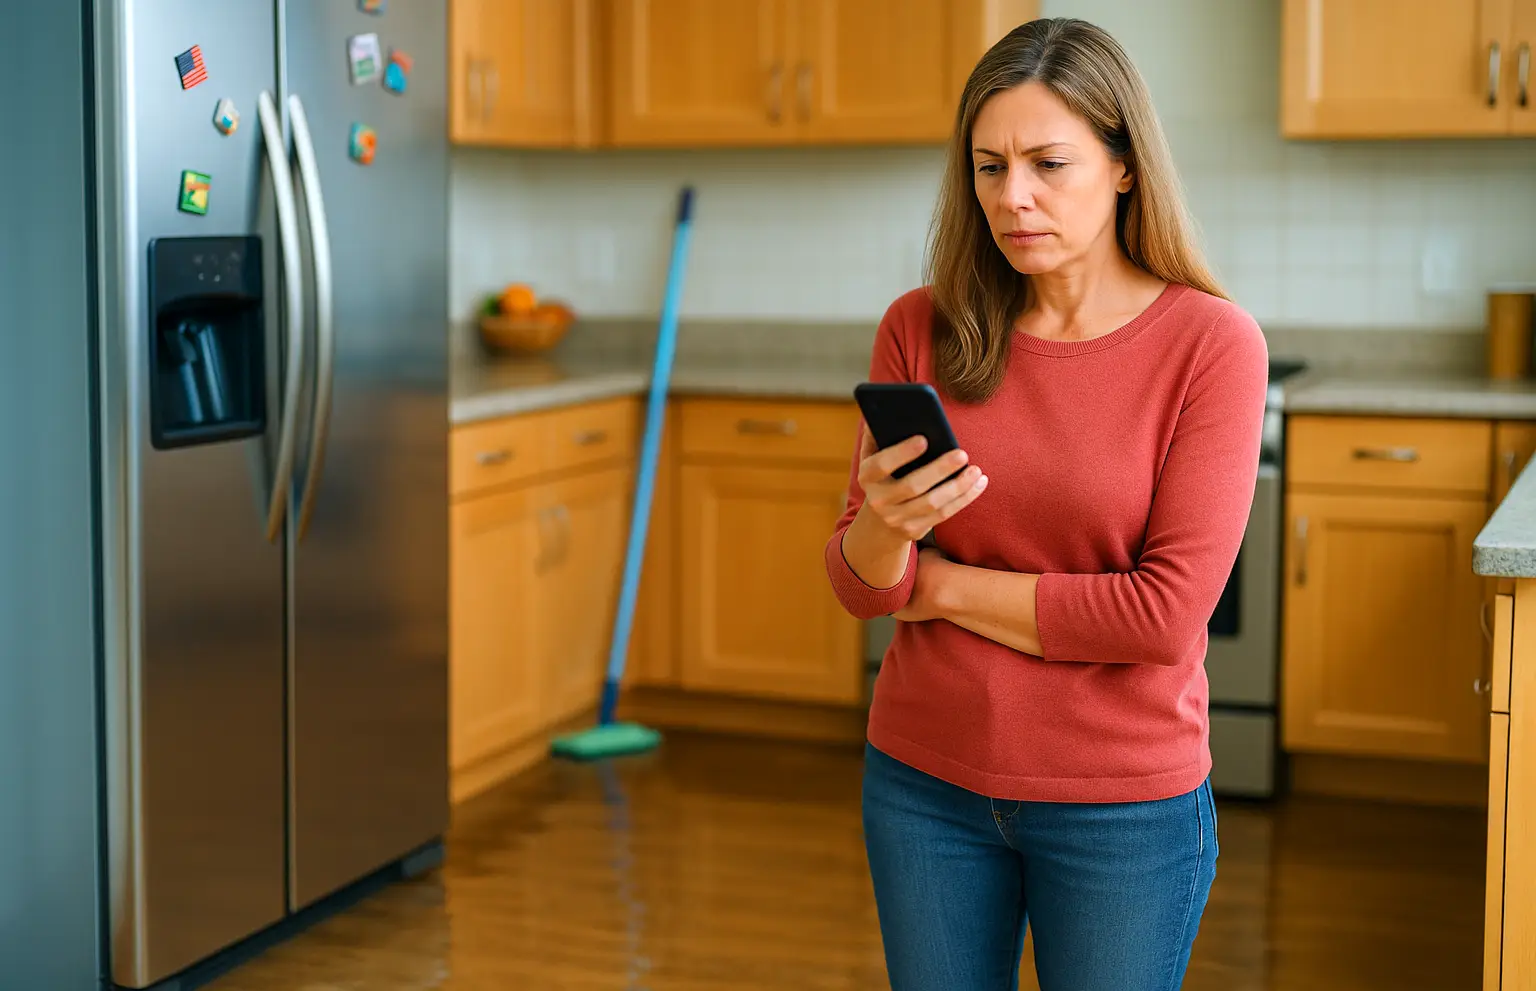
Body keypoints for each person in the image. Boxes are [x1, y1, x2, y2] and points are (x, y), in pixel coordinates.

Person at [824, 16, 1268, 991]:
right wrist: (886, 529)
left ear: (1122, 166)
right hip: (922, 782)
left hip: (1121, 805)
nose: (1011, 197)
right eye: (988, 167)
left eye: (1047, 163)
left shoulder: (1212, 345)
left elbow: (1160, 617)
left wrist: (938, 587)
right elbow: (863, 591)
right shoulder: (920, 329)